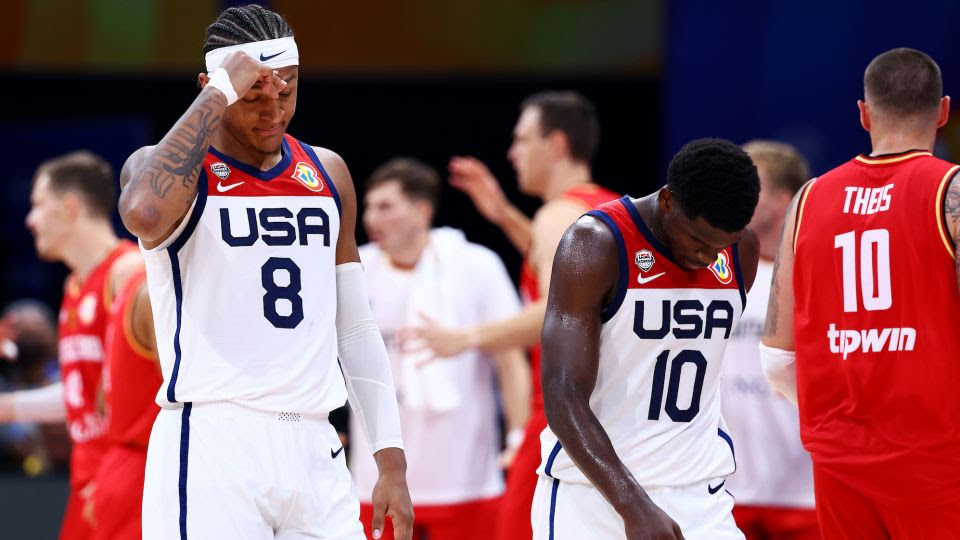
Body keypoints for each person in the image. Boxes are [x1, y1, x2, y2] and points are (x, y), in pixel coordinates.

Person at [117, 5, 413, 539]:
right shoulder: (167, 170)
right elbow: (143, 213)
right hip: (214, 438)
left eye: (288, 90)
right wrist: (219, 91)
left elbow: (354, 326)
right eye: (254, 96)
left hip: (315, 442)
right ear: (213, 88)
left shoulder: (327, 172)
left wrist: (390, 458)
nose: (273, 110)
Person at [762, 47, 960, 538]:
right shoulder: (951, 190)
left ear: (864, 114)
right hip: (938, 463)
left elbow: (775, 359)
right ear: (942, 111)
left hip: (839, 463)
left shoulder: (808, 199)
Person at [410, 91, 618, 539]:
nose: (512, 153)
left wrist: (465, 338)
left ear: (555, 145)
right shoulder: (610, 209)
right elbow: (574, 276)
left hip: (563, 413)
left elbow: (561, 308)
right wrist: (503, 214)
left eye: (522, 139)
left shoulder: (557, 214)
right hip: (611, 410)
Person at [535, 138, 760, 539]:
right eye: (699, 240)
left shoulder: (742, 250)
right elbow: (561, 391)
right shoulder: (596, 243)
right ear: (668, 200)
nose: (709, 257)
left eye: (721, 245)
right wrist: (632, 504)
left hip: (699, 492)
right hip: (594, 496)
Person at [351, 157, 529, 540]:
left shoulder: (476, 265)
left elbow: (511, 358)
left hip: (464, 475)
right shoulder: (355, 269)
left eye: (385, 206)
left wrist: (517, 435)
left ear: (422, 211)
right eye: (368, 206)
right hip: (376, 478)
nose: (371, 218)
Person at [0, 151, 142, 540]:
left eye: (38, 205)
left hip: (130, 476)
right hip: (88, 478)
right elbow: (82, 394)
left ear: (70, 207)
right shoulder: (74, 284)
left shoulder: (128, 272)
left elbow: (151, 392)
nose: (30, 220)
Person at [719, 141, 819, 539]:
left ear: (781, 201)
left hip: (805, 492)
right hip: (724, 491)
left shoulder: (818, 275)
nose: (734, 197)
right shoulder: (712, 275)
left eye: (749, 187)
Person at [89, 261, 162, 540]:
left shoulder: (130, 289)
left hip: (118, 466)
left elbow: (100, 401)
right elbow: (185, 391)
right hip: (145, 471)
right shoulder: (152, 292)